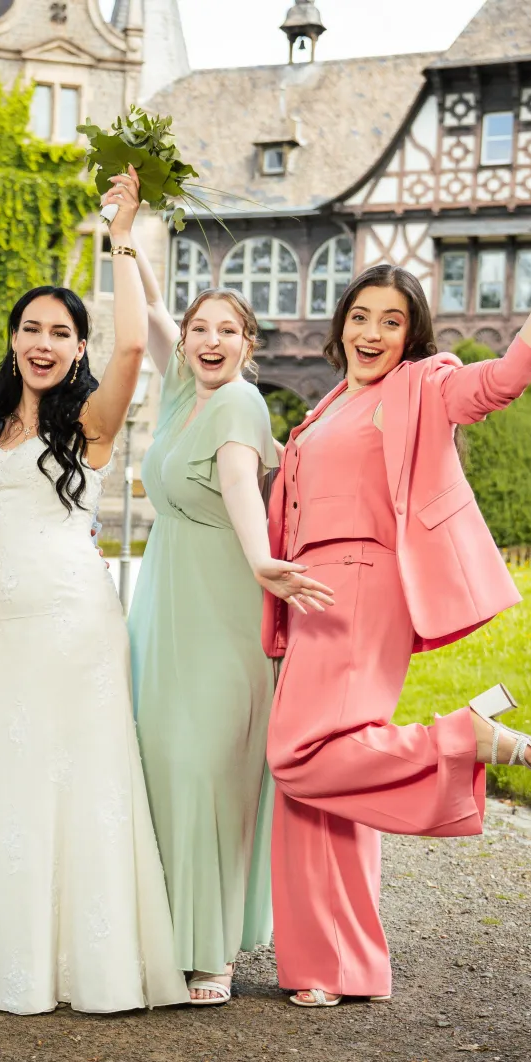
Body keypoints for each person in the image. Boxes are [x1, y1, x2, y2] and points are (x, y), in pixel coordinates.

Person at [264, 224, 531, 1009]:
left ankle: (468, 737)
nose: (372, 332)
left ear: (411, 334)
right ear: (340, 324)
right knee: (319, 784)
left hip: (362, 585)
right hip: (312, 589)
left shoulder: (421, 386)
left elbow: (504, 379)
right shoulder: (324, 408)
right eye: (360, 316)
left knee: (298, 753)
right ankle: (333, 965)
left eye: (391, 320)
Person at [0, 167, 188, 1015]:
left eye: (61, 332)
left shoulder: (90, 425)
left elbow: (137, 347)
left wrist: (122, 235)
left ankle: (90, 961)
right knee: (7, 775)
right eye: (31, 328)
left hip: (77, 627)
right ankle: (9, 957)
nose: (44, 342)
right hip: (9, 635)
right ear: (11, 340)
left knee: (82, 780)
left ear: (77, 348)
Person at [123, 257, 333, 1005]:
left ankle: (213, 950)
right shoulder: (181, 393)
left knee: (208, 767)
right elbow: (149, 310)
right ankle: (174, 931)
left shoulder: (240, 403)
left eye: (228, 331)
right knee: (164, 767)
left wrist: (261, 558)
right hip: (163, 608)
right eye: (199, 329)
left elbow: (242, 481)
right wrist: (125, 239)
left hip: (222, 607)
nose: (211, 341)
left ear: (249, 344)